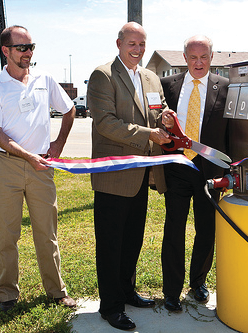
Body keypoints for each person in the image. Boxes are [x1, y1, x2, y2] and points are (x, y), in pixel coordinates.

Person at [0, 25, 76, 312]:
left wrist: (58, 143)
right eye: (22, 48)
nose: (28, 53)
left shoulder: (45, 79)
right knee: (7, 234)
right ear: (5, 50)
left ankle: (57, 291)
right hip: (7, 167)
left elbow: (69, 109)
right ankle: (7, 295)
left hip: (42, 167)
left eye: (31, 47)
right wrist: (28, 156)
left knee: (47, 233)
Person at [87, 22, 173, 331]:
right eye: (132, 43)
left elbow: (157, 107)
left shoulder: (150, 76)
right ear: (119, 43)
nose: (137, 49)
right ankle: (110, 307)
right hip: (114, 174)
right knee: (110, 243)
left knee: (132, 240)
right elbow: (106, 123)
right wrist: (150, 133)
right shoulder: (103, 75)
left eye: (142, 44)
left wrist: (164, 116)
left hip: (143, 174)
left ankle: (126, 291)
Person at [160, 35, 229, 312]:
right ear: (184, 57)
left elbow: (231, 131)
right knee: (174, 229)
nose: (198, 63)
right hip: (177, 168)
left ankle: (198, 282)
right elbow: (156, 120)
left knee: (206, 229)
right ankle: (171, 290)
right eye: (193, 57)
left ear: (212, 57)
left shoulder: (226, 87)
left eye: (204, 57)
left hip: (209, 170)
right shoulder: (167, 85)